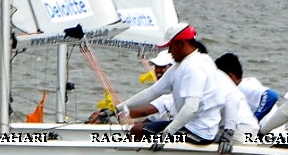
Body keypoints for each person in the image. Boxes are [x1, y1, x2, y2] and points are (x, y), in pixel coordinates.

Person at [97, 23, 227, 146]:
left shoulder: (196, 67)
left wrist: (166, 134)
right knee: (137, 130)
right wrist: (115, 110)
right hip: (186, 126)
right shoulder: (179, 67)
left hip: (200, 132)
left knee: (138, 132)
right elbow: (150, 93)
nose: (169, 51)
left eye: (171, 46)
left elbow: (191, 108)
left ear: (182, 44)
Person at [215, 53, 277, 121]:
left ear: (230, 76)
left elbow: (271, 95)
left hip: (269, 128)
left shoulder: (245, 86)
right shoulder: (249, 82)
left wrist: (255, 119)